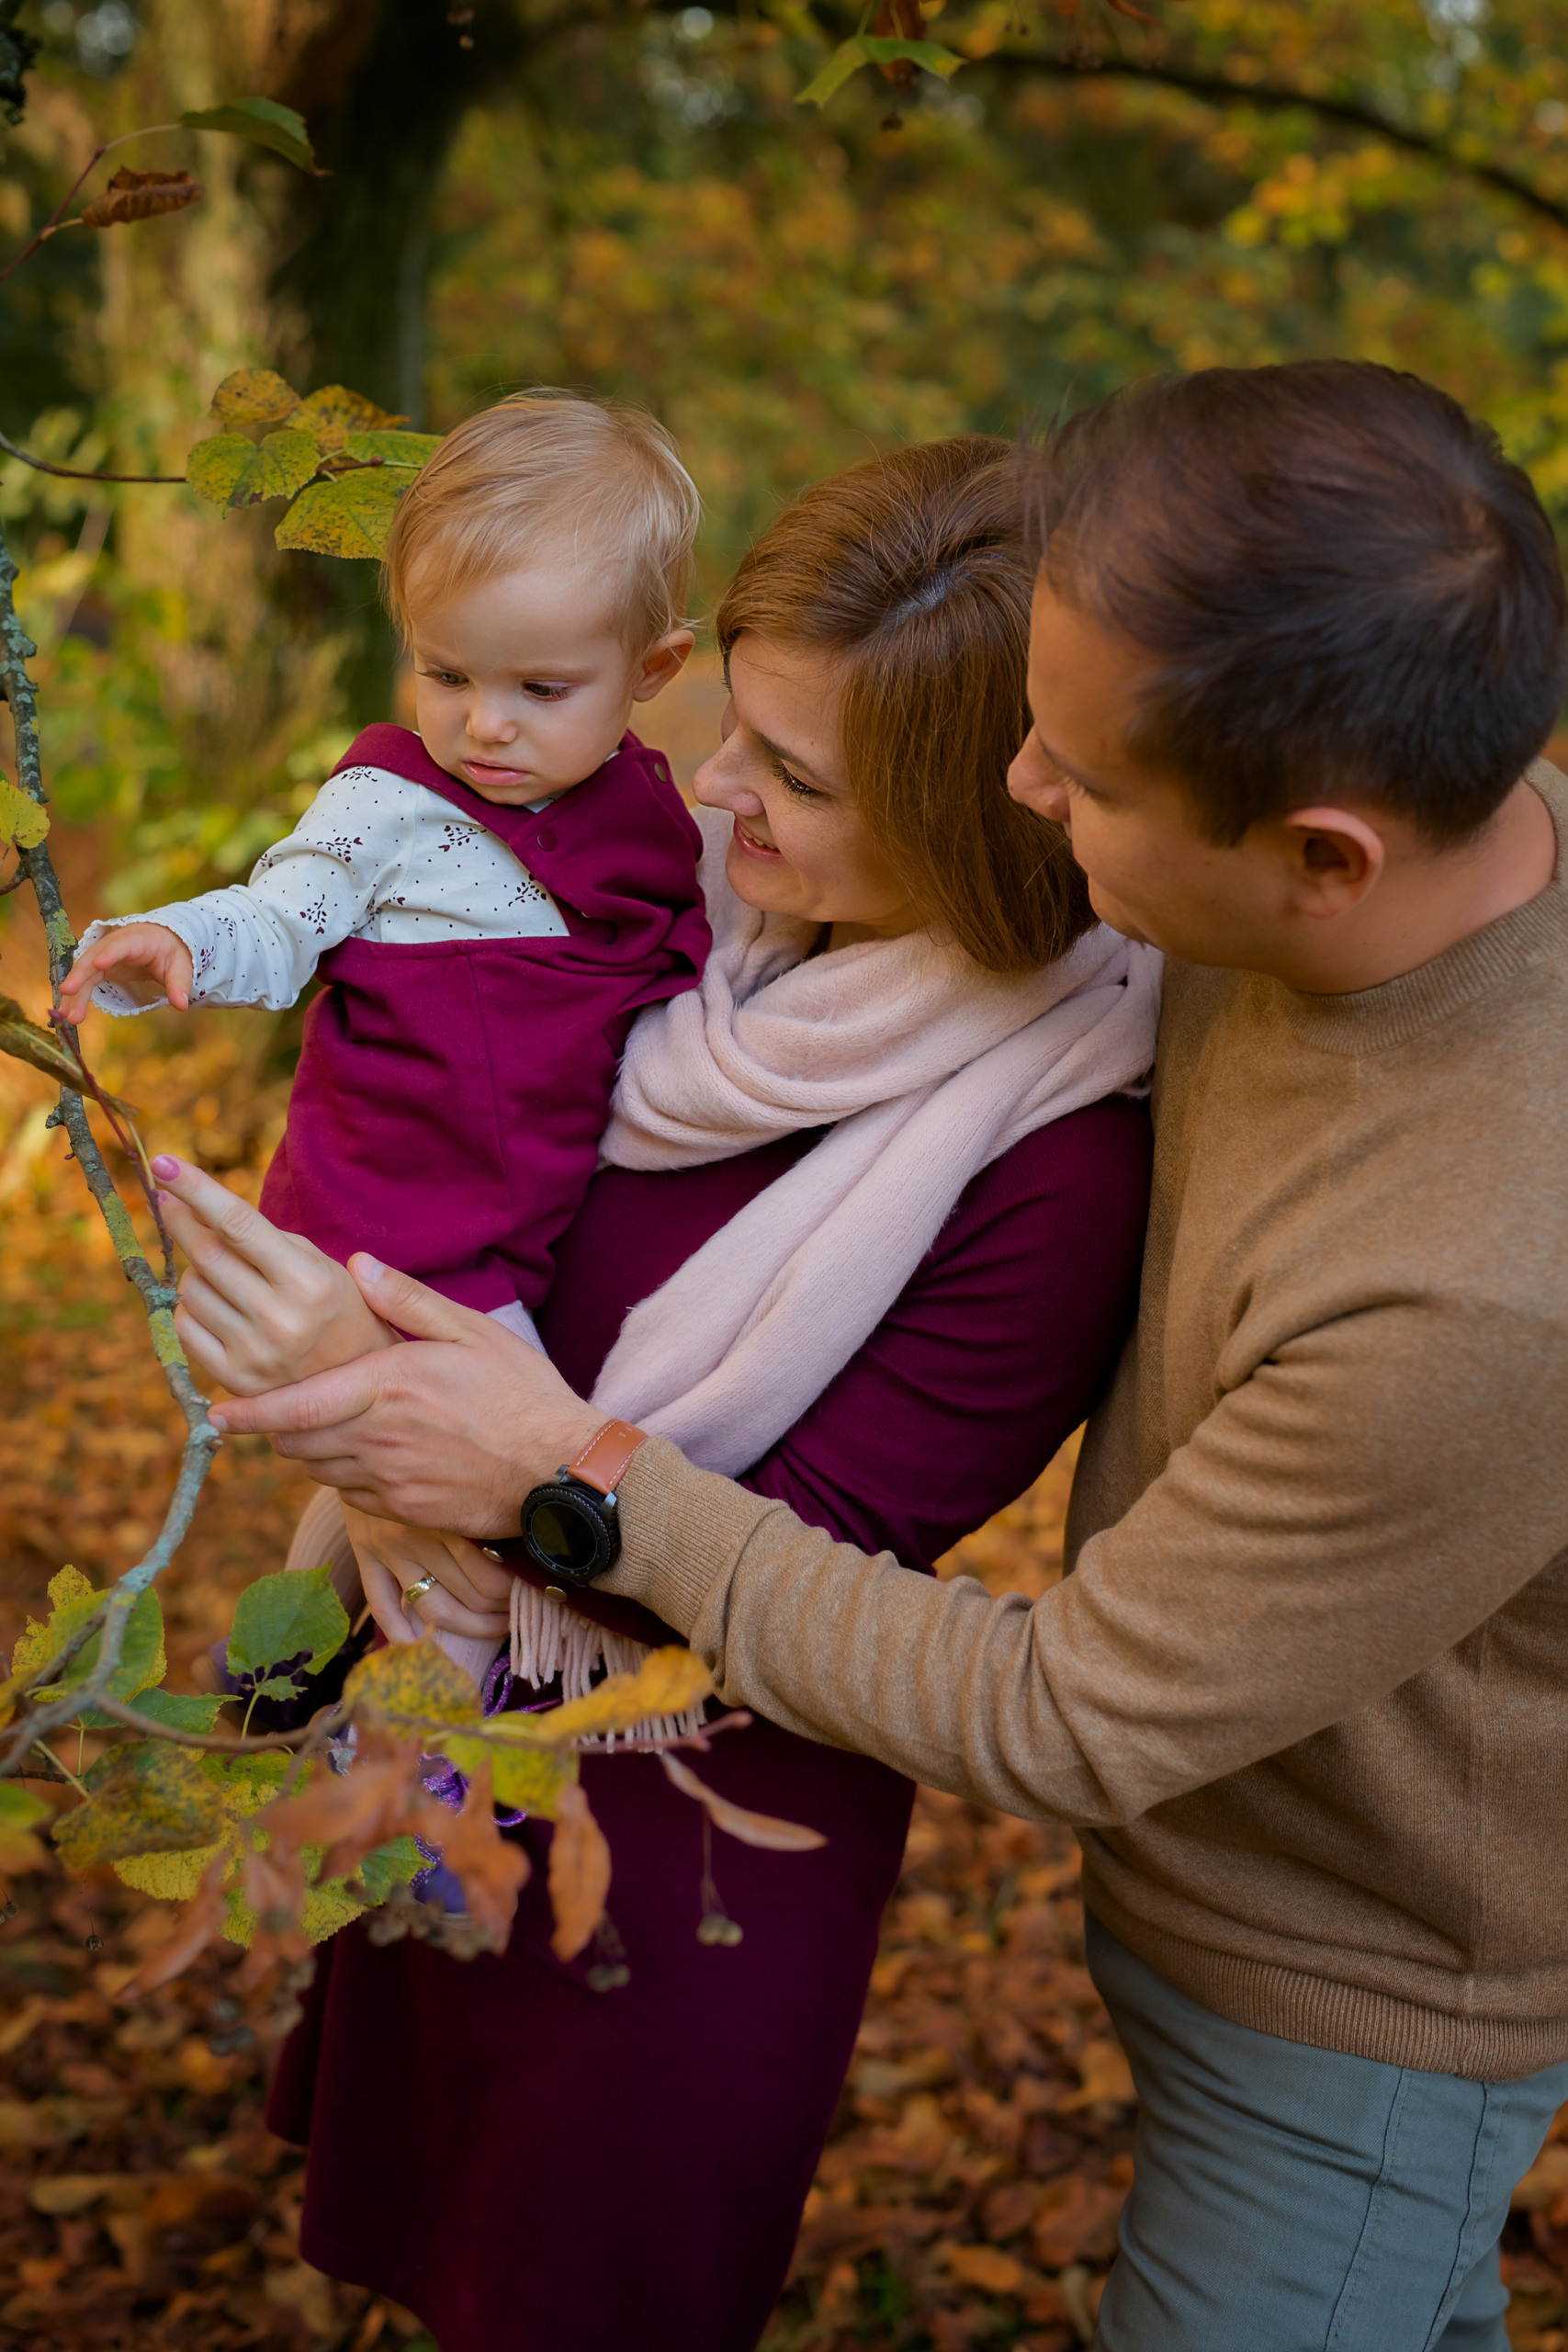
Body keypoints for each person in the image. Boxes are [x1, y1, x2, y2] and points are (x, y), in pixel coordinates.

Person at [193, 362, 1568, 2349]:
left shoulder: (1447, 1265)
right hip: (1000, 1803)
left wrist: (533, 1472)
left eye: (1075, 775)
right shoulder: (1274, 837)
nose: (1032, 786)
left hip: (1352, 1951)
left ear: (1317, 853)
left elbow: (1059, 1706)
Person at [153, 435, 1158, 2352]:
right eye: (735, 726)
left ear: (986, 813)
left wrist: (378, 1408)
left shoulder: (1052, 1163)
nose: (711, 787)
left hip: (683, 1826)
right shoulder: (657, 922)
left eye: (796, 777)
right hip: (439, 1701)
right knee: (424, 2243)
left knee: (579, 2283)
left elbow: (818, 1556)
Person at [61, 391, 711, 1679]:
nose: (485, 723)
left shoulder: (647, 815)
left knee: (389, 1503)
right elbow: (284, 911)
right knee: (485, 1518)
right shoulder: (389, 806)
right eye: (446, 674)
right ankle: (415, 1760)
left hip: (520, 1218)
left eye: (541, 688)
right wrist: (181, 941)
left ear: (653, 672)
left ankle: (280, 1693)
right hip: (402, 1226)